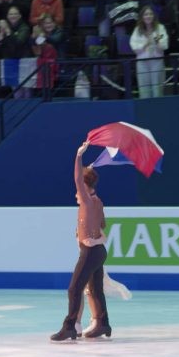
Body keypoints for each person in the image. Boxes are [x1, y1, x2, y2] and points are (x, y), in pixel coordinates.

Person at [51, 141, 111, 341]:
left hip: (91, 251)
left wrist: (79, 155)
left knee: (74, 288)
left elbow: (77, 178)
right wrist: (96, 238)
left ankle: (69, 327)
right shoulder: (98, 201)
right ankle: (102, 324)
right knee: (95, 289)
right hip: (99, 251)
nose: (76, 190)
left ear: (86, 186)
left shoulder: (86, 200)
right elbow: (102, 225)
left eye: (80, 187)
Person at [129, 5, 168, 99]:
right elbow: (134, 47)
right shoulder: (137, 30)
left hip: (157, 62)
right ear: (142, 17)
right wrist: (146, 44)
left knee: (157, 91)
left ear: (154, 16)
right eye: (146, 14)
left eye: (150, 14)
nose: (148, 16)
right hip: (142, 64)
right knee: (144, 92)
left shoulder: (160, 28)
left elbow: (164, 45)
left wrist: (157, 42)